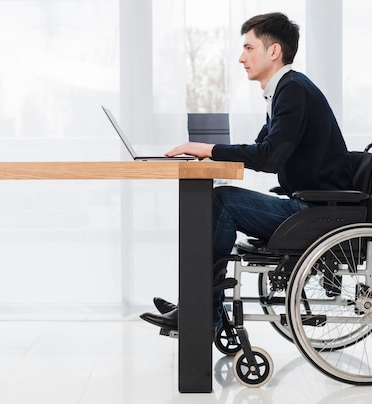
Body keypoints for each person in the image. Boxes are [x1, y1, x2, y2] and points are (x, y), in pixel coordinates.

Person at [140, 12, 353, 335]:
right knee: (218, 200)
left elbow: (268, 158)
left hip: (316, 213)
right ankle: (197, 306)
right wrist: (208, 153)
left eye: (248, 48)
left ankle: (200, 313)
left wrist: (209, 150)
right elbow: (261, 147)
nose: (241, 58)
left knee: (221, 201)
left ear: (274, 51)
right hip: (311, 206)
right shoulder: (286, 91)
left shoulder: (293, 91)